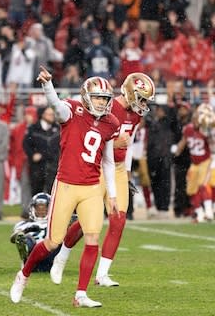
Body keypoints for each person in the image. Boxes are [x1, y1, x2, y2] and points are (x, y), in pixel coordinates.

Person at [10, 67, 120, 308]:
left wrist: (111, 193)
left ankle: (81, 294)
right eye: (98, 98)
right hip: (67, 185)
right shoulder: (72, 109)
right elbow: (57, 106)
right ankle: (23, 275)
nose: (102, 103)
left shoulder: (111, 122)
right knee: (52, 241)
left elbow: (109, 161)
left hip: (91, 187)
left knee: (92, 239)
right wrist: (48, 85)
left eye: (105, 99)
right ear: (86, 97)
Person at [49, 72, 156, 288]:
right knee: (86, 222)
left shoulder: (136, 114)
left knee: (119, 219)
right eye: (141, 98)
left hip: (117, 169)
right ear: (129, 92)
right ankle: (62, 256)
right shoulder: (107, 106)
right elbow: (96, 138)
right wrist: (116, 144)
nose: (143, 104)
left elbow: (129, 142)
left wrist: (126, 174)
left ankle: (102, 274)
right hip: (97, 167)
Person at [172, 104, 214, 223]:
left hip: (205, 161)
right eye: (195, 118)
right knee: (191, 189)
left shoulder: (206, 130)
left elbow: (212, 145)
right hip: (194, 163)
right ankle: (199, 213)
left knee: (203, 184)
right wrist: (177, 151)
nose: (196, 121)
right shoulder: (188, 128)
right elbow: (183, 142)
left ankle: (209, 211)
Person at [10, 193, 60, 272]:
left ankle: (58, 263)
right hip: (32, 259)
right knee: (25, 238)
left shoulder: (56, 224)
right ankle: (25, 253)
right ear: (33, 209)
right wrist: (26, 230)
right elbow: (14, 237)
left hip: (50, 257)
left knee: (58, 237)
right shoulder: (23, 224)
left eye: (44, 208)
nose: (41, 211)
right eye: (38, 208)